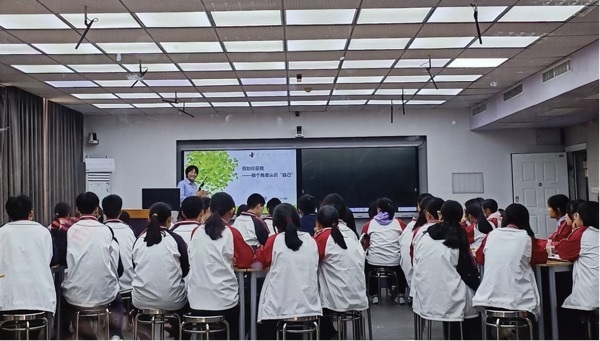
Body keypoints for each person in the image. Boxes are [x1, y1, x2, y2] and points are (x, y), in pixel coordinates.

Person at [187, 192, 255, 340]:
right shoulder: (231, 233)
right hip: (224, 303)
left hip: (196, 302)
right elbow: (247, 260)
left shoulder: (196, 231)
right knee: (248, 311)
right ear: (232, 211)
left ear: (209, 209)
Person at [473, 203, 547, 338]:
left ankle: (503, 332)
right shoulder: (526, 238)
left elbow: (479, 258)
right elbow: (541, 257)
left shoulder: (491, 235)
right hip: (518, 300)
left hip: (490, 298)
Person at [58, 192, 124, 339]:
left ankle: (65, 334)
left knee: (64, 300)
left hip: (75, 295)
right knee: (118, 302)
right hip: (105, 294)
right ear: (96, 210)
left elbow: (61, 259)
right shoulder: (106, 230)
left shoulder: (68, 230)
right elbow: (118, 267)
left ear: (77, 209)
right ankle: (115, 334)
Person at [412, 200, 481, 340]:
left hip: (425, 298)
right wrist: (480, 288)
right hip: (451, 299)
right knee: (474, 306)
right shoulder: (458, 236)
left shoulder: (423, 235)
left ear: (440, 215)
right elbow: (467, 272)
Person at [255, 203, 321, 339]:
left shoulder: (274, 240)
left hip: (279, 308)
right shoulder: (311, 240)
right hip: (308, 306)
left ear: (275, 223)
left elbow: (259, 262)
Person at [0, 195, 56, 339]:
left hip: (6, 302)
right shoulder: (44, 232)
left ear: (9, 214)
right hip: (38, 301)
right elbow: (51, 259)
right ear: (31, 213)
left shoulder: (2, 233)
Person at [132, 202, 189, 339]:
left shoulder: (139, 240)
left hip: (141, 300)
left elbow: (136, 268)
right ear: (170, 219)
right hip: (173, 301)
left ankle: (145, 335)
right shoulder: (176, 239)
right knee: (187, 309)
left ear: (148, 218)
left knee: (139, 309)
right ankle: (177, 332)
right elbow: (185, 269)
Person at [314, 205, 368, 339]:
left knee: (313, 293)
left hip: (337, 299)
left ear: (318, 223)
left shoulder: (323, 237)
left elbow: (309, 262)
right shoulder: (350, 236)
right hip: (358, 296)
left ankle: (327, 334)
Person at [555, 201, 599, 340]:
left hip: (591, 295)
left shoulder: (583, 233)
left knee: (562, 313)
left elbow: (562, 250)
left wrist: (574, 231)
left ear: (579, 217)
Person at [360, 198, 406, 304]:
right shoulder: (399, 223)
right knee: (401, 262)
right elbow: (406, 240)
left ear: (378, 209)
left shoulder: (369, 224)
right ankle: (400, 294)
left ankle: (373, 294)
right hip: (395, 262)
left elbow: (364, 243)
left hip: (374, 262)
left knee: (367, 264)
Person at [102, 195, 136, 298]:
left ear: (103, 212)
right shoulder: (129, 231)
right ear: (120, 211)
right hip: (129, 288)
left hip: (105, 290)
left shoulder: (100, 231)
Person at [399, 194, 434, 294]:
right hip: (427, 284)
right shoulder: (422, 231)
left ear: (419, 207)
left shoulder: (410, 228)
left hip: (415, 284)